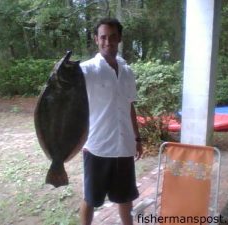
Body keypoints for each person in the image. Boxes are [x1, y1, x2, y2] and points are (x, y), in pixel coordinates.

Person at [79, 18, 143, 225]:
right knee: (91, 199)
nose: (108, 41)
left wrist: (137, 138)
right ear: (96, 39)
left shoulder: (127, 70)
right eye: (103, 37)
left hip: (124, 146)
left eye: (113, 36)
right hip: (96, 146)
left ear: (120, 38)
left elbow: (129, 106)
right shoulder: (86, 70)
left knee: (125, 197)